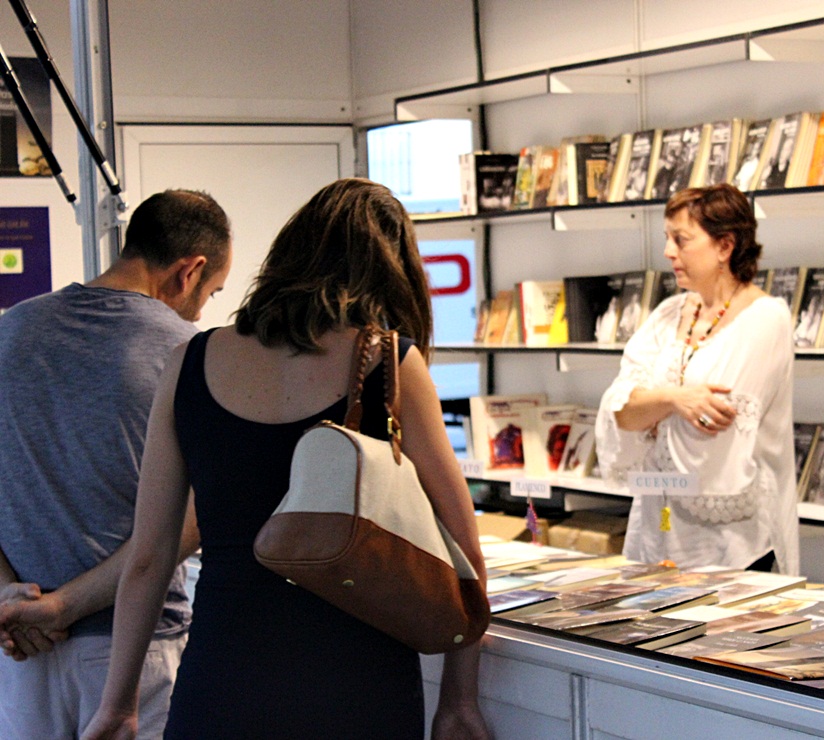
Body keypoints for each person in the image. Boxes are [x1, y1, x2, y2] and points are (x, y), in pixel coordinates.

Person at [83, 179, 490, 740]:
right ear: (392, 271)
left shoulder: (187, 362)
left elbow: (150, 558)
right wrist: (459, 700)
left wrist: (118, 704)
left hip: (220, 685)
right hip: (358, 688)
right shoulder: (390, 363)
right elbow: (464, 553)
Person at [0, 189, 232, 740]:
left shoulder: (10, 330)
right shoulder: (186, 353)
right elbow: (188, 524)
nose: (203, 309)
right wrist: (61, 608)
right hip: (133, 653)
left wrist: (10, 596)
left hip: (17, 648)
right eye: (211, 291)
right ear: (189, 271)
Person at [595, 183, 798, 574]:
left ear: (725, 246)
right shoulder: (668, 314)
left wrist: (650, 410)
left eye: (681, 240)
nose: (668, 252)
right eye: (667, 238)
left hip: (734, 550)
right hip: (654, 537)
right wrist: (675, 401)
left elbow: (713, 434)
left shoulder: (765, 319)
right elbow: (617, 411)